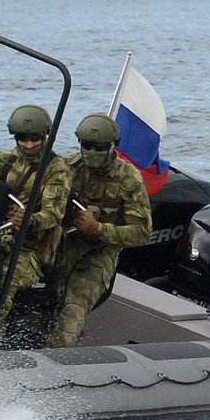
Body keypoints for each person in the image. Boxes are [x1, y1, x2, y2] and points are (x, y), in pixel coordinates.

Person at [0, 104, 73, 349]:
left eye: (35, 138)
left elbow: (53, 213)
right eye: (23, 138)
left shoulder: (56, 170)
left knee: (2, 285)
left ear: (45, 136)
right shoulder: (7, 160)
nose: (29, 145)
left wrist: (31, 220)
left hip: (31, 249)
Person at [49, 113, 152, 347]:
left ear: (111, 146)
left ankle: (57, 351)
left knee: (73, 307)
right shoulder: (67, 167)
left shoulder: (128, 178)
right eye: (87, 146)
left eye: (99, 147)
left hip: (100, 252)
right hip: (63, 244)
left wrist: (98, 229)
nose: (92, 152)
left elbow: (141, 232)